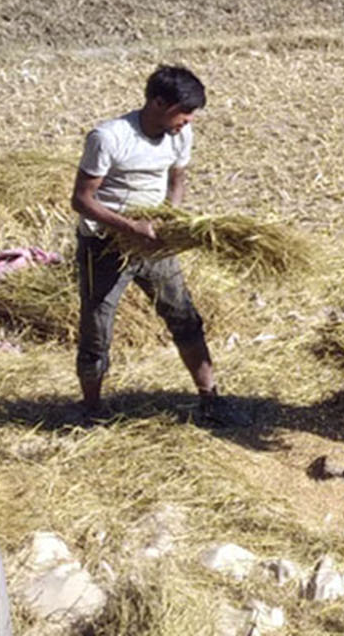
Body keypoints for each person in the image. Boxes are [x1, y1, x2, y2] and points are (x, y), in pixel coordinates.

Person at [70, 66, 243, 425]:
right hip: (105, 246)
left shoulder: (181, 134)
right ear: (158, 102)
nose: (188, 120)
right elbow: (82, 200)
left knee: (185, 319)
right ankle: (92, 410)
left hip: (155, 246)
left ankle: (210, 399)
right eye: (184, 111)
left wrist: (170, 218)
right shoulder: (109, 137)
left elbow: (177, 179)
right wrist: (131, 226)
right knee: (96, 332)